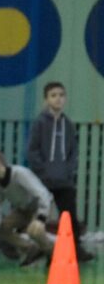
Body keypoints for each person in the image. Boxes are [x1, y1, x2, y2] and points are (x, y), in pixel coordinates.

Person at [27, 81, 94, 262]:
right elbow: (32, 151)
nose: (58, 99)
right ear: (46, 99)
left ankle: (76, 249)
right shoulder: (40, 123)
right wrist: (43, 171)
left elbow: (73, 152)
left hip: (64, 180)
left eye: (61, 95)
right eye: (53, 95)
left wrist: (67, 171)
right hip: (43, 180)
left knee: (69, 215)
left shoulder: (69, 124)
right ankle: (40, 250)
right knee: (39, 217)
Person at [0, 149, 54, 265]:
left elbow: (43, 194)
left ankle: (52, 252)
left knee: (34, 230)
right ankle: (31, 249)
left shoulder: (20, 173)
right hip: (23, 210)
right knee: (2, 229)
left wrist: (41, 217)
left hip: (39, 206)